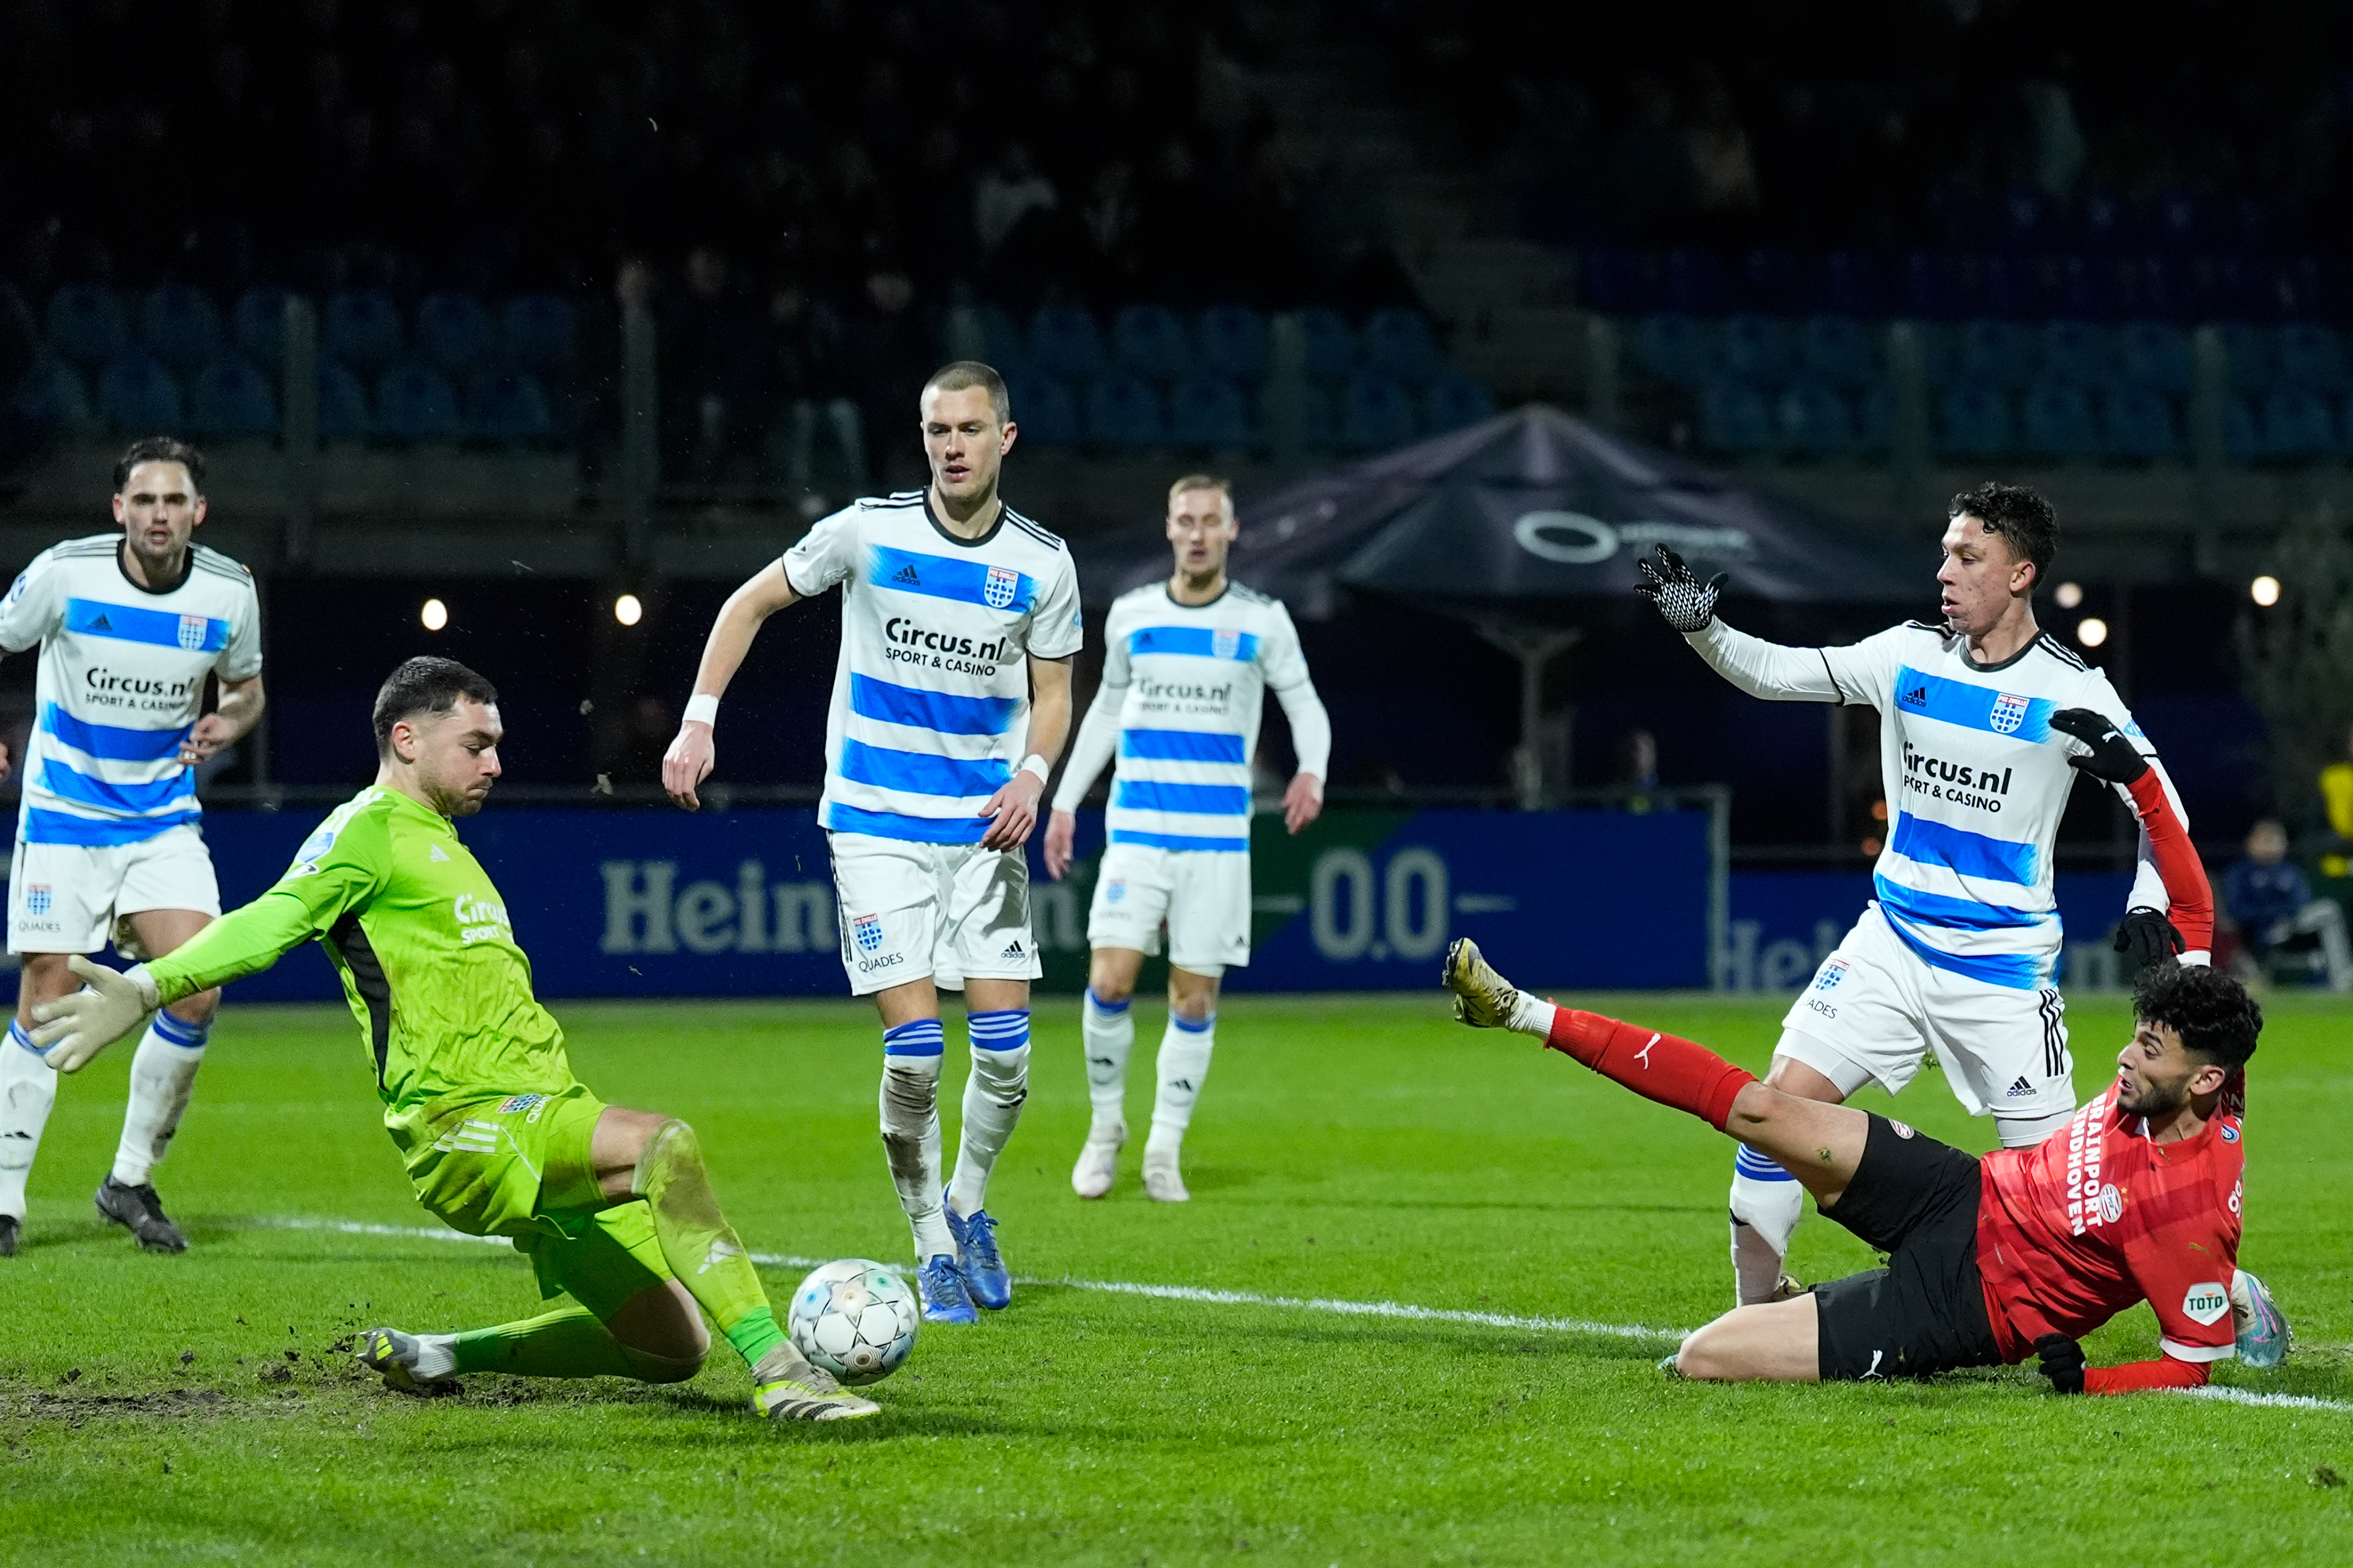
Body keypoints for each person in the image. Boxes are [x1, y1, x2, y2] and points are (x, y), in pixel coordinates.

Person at [30, 658, 874, 1422]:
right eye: (475, 743)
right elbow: (273, 918)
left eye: (496, 745)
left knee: (673, 1348)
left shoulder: (446, 847)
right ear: (406, 737)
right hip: (462, 1124)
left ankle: (440, 1351)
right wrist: (148, 985)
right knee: (664, 1147)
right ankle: (783, 1370)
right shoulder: (365, 831)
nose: (495, 763)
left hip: (541, 1115)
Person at [1442, 713, 2277, 1389]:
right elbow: (2193, 903)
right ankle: (1524, 1012)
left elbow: (2186, 1366)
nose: (2126, 1060)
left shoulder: (2190, 1210)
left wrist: (2083, 1383)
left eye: (2149, 1051)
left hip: (1966, 1303)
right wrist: (2136, 779)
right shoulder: (2202, 1044)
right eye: (2136, 1038)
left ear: (2204, 1081)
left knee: (1703, 1357)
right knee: (1759, 1109)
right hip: (1964, 1191)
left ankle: (2244, 1299)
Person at [1637, 482, 2195, 1307]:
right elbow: (1771, 674)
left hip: (2000, 974)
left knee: (2063, 1190)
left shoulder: (2072, 689)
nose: (1944, 571)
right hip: (1889, 947)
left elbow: (2163, 810)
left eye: (1967, 556)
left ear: (2019, 573)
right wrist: (1701, 627)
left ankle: (2218, 1285)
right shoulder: (1905, 653)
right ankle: (1757, 1310)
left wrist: (2149, 900)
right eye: (1944, 551)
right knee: (1772, 1109)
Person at [662, 362, 1080, 1325]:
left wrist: (1031, 777)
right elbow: (747, 603)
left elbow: (1054, 694)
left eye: (970, 429)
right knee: (918, 1053)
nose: (951, 445)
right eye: (937, 429)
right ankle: (931, 1242)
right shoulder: (866, 529)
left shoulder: (1044, 563)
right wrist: (697, 720)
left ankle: (970, 1205)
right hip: (875, 820)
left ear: (1004, 439)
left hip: (984, 829)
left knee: (1009, 1054)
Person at [0, 437, 265, 1259]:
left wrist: (232, 718)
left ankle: (128, 1181)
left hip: (160, 821)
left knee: (195, 986)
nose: (159, 515)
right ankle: (5, 1200)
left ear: (198, 512)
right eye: (144, 500)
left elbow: (248, 683)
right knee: (44, 994)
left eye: (174, 501)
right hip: (64, 815)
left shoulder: (229, 591)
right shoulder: (66, 574)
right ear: (120, 509)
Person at [1041, 475, 1330, 1202]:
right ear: (1167, 528)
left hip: (1216, 842)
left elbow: (1305, 705)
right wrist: (1067, 800)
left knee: (1192, 999)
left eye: (1211, 521)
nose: (1197, 532)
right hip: (1138, 828)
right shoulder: (1134, 615)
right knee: (1108, 978)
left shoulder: (1261, 621)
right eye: (1185, 520)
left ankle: (1163, 1148)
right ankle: (1106, 1128)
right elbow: (1105, 708)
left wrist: (1311, 771)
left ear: (1232, 531)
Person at [2222, 819, 2353, 991]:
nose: (2271, 845)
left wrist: (2285, 914)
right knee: (2328, 911)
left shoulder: (2290, 871)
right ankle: (2342, 977)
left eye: (2276, 840)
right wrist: (2271, 915)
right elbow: (2236, 910)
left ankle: (2342, 976)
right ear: (2250, 842)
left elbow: (2303, 903)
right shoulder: (2240, 873)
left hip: (2292, 926)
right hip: (2262, 931)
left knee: (2328, 910)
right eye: (2265, 840)